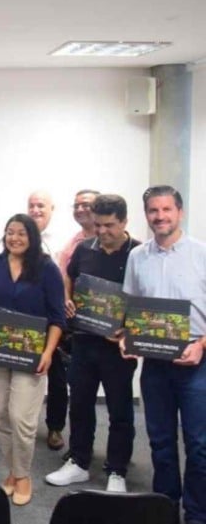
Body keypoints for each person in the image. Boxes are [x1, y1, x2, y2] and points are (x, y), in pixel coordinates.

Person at [119, 186, 206, 523]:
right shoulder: (137, 256)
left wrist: (201, 345)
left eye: (166, 209)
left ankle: (197, 515)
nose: (160, 217)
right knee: (160, 443)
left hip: (196, 360)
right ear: (146, 215)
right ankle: (166, 509)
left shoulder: (201, 253)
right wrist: (128, 336)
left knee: (199, 446)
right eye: (153, 211)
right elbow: (131, 305)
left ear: (179, 212)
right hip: (155, 362)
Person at [45, 194, 139, 492]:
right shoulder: (84, 248)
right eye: (98, 225)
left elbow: (147, 298)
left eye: (109, 225)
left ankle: (117, 470)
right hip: (84, 341)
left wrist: (129, 330)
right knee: (80, 404)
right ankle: (79, 462)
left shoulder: (138, 254)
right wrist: (67, 299)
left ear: (124, 222)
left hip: (118, 348)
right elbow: (69, 278)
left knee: (119, 410)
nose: (102, 231)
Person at [0, 214, 65, 506]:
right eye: (10, 232)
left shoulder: (47, 268)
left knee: (21, 418)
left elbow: (57, 317)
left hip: (32, 355)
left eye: (21, 233)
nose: (14, 238)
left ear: (32, 237)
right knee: (0, 416)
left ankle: (23, 475)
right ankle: (12, 471)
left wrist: (48, 353)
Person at [27, 190, 67, 450]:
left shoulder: (64, 241)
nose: (36, 210)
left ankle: (55, 427)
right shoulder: (20, 237)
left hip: (52, 316)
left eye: (41, 205)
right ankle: (20, 424)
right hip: (26, 317)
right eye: (31, 206)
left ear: (52, 208)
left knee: (57, 375)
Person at [57, 189, 100, 275]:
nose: (79, 210)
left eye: (85, 205)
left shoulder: (111, 240)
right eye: (76, 206)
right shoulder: (71, 244)